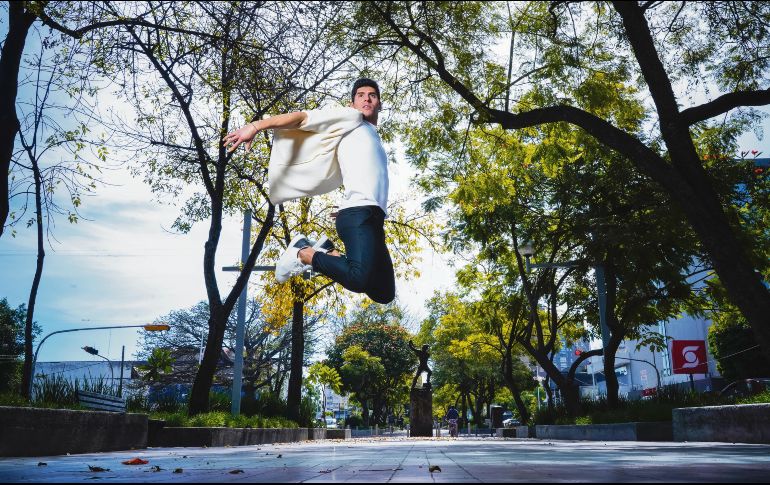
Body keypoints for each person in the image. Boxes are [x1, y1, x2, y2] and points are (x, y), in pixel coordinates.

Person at [223, 79, 395, 304]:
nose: (367, 99)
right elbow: (303, 118)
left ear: (380, 103)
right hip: (359, 214)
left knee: (383, 292)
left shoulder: (370, 134)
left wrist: (349, 203)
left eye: (372, 95)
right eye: (360, 95)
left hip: (373, 216)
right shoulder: (350, 117)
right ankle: (304, 253)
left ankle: (327, 251)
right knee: (358, 279)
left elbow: (366, 173)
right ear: (351, 103)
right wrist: (256, 126)